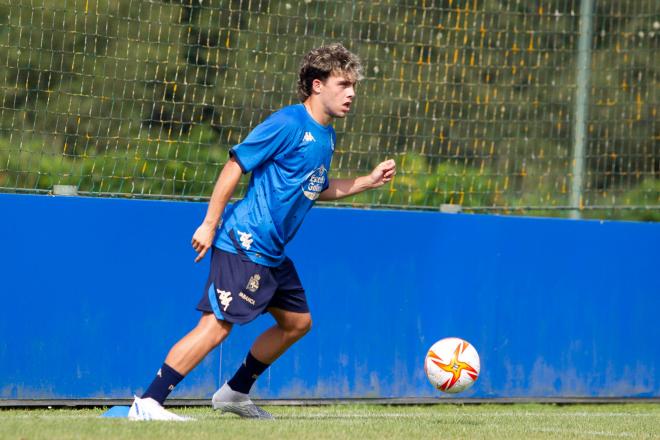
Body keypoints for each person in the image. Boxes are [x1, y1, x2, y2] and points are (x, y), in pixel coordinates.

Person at [128, 43, 396, 421]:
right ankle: (149, 402)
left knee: (297, 323)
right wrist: (209, 223)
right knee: (216, 326)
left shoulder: (326, 135)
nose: (351, 93)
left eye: (354, 85)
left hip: (271, 254)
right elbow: (235, 165)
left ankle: (235, 392)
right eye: (343, 84)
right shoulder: (287, 123)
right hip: (243, 243)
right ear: (317, 85)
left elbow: (316, 187)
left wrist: (366, 182)